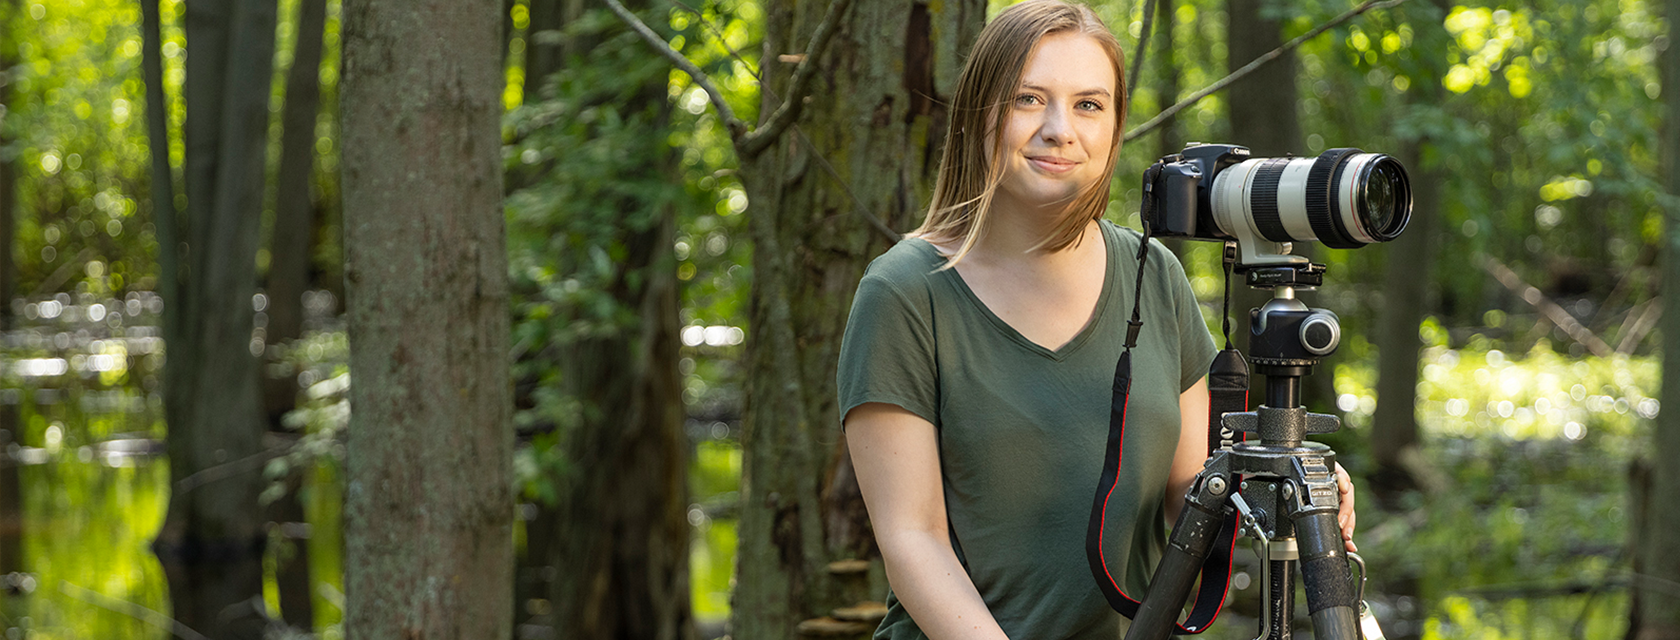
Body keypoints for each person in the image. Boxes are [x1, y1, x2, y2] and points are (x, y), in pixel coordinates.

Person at [835, 2, 1358, 638]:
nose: (1061, 128)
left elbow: (1190, 487)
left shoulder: (1153, 275)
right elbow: (912, 539)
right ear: (980, 114)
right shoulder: (905, 292)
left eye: (1089, 104)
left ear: (1113, 127)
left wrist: (1282, 482)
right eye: (1028, 99)